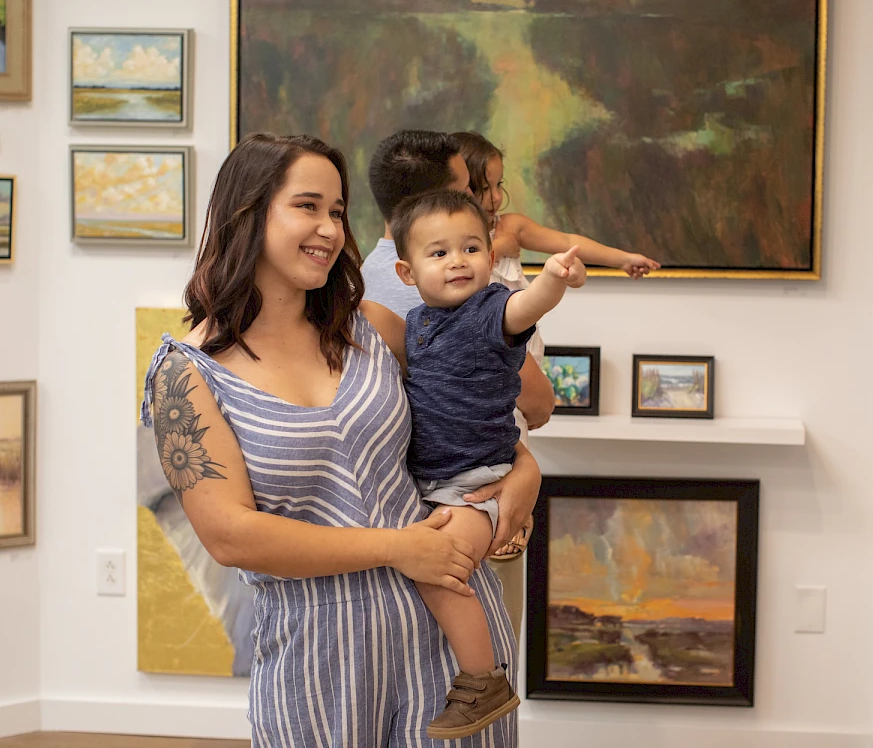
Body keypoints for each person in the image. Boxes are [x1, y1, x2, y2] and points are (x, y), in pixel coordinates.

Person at [141, 133, 537, 746]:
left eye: (337, 210)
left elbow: (491, 408)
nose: (329, 229)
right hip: (316, 664)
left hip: (454, 649)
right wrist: (397, 548)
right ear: (247, 214)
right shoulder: (185, 377)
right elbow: (230, 536)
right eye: (307, 206)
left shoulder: (375, 326)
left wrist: (522, 471)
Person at [390, 189, 585, 737]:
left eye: (471, 248)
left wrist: (550, 278)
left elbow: (527, 308)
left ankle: (484, 680)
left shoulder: (488, 311)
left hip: (478, 481)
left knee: (441, 570)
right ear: (407, 271)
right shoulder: (418, 322)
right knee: (431, 568)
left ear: (490, 257)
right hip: (436, 481)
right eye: (439, 253)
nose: (458, 261)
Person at [361, 130, 553, 641]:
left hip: (401, 516)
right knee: (486, 651)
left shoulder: (357, 285)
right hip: (480, 501)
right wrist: (523, 465)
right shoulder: (462, 291)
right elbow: (538, 403)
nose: (483, 202)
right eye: (468, 188)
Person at [452, 131, 662, 279]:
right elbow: (460, 267)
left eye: (498, 185)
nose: (496, 197)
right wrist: (499, 247)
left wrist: (623, 259)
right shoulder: (447, 234)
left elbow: (567, 240)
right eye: (484, 188)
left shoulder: (509, 226)